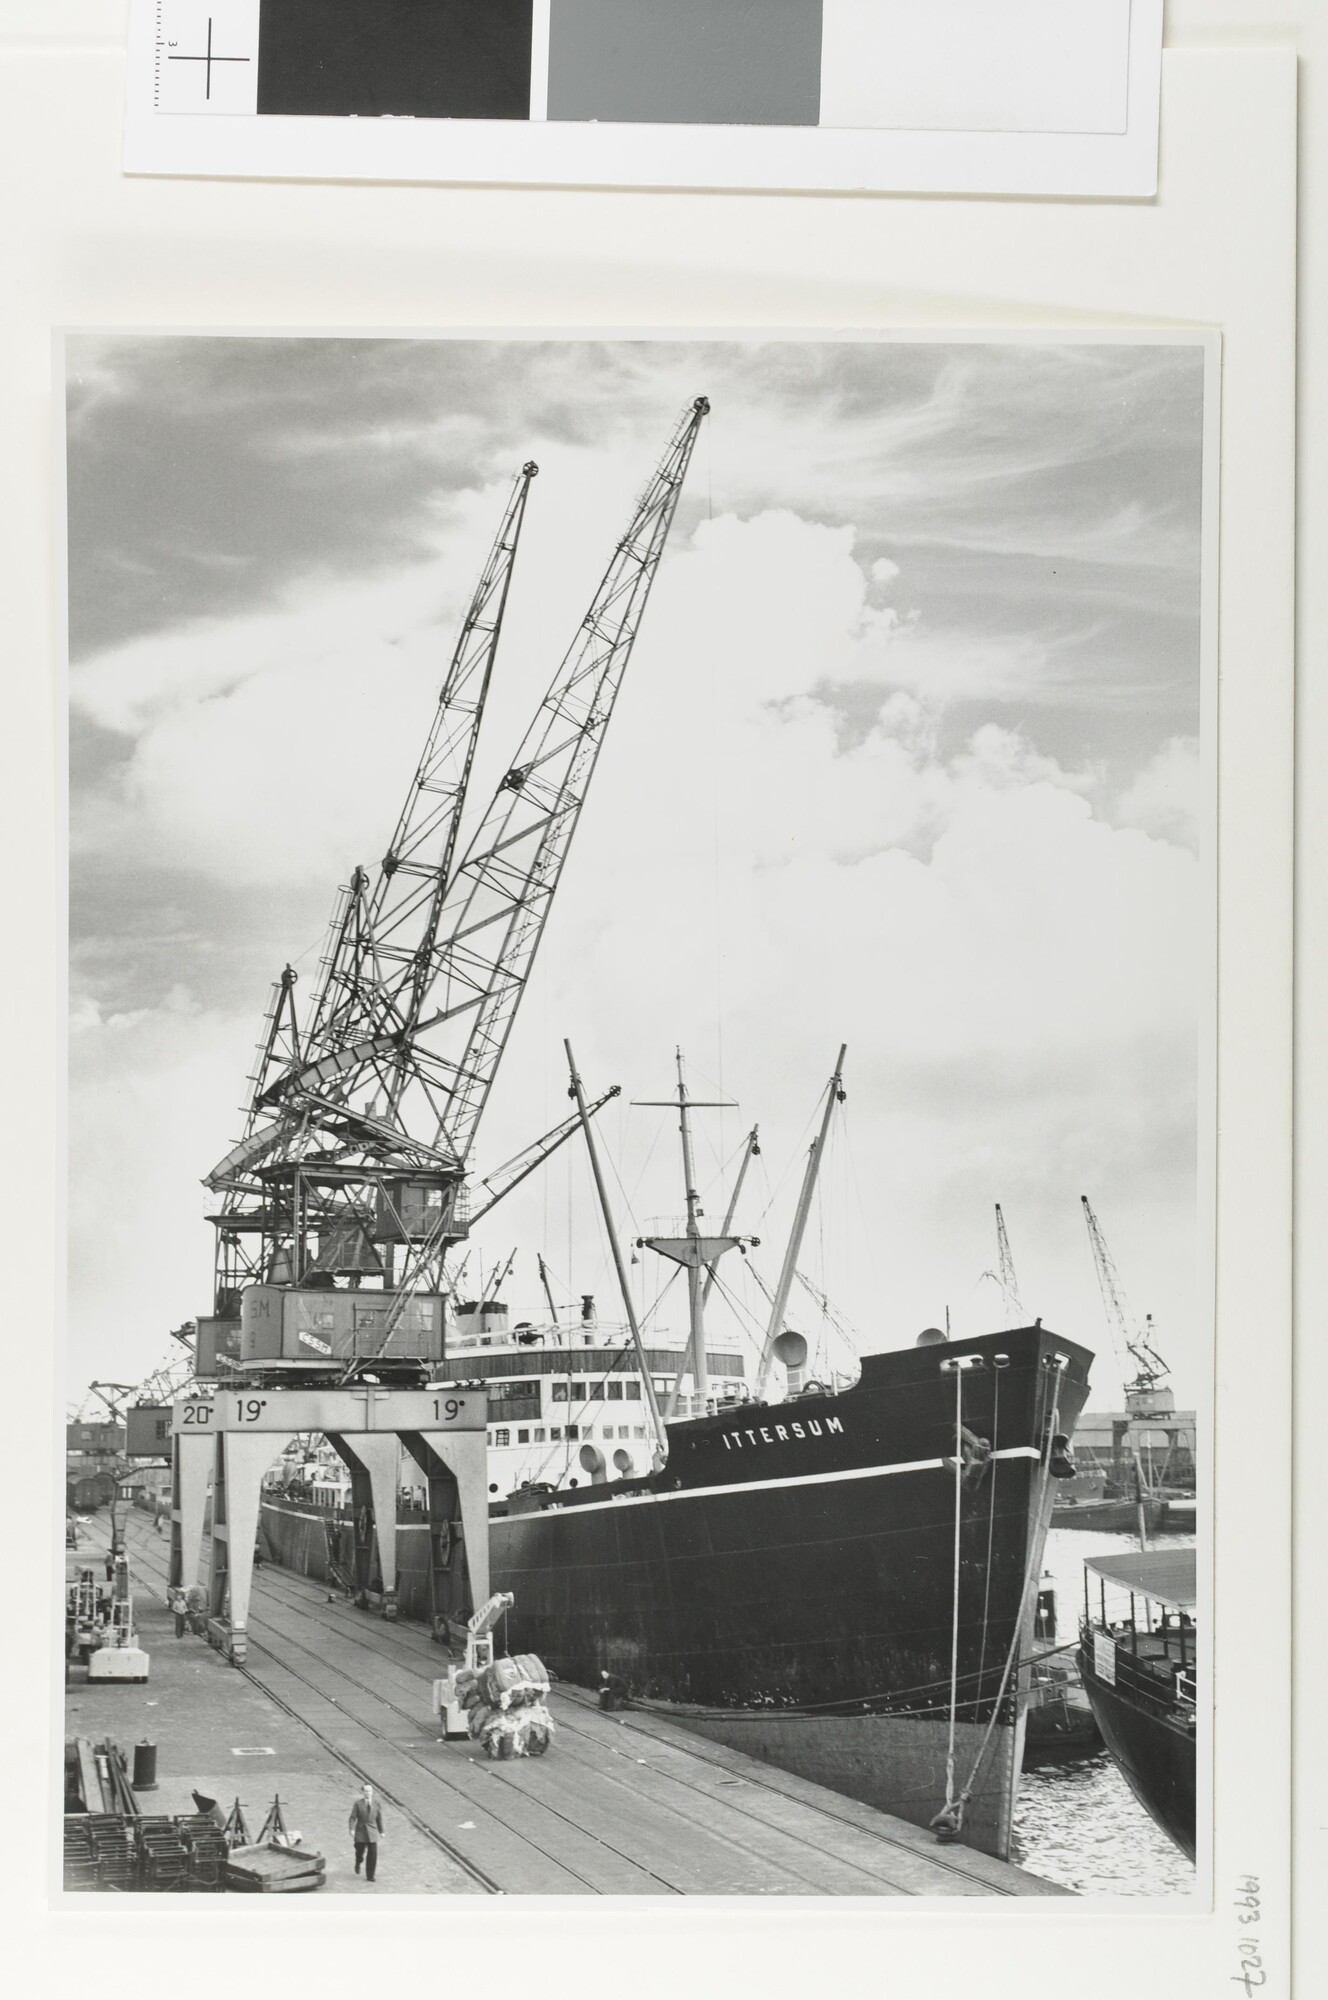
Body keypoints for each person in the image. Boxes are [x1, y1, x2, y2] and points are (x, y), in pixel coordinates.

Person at [348, 1782, 384, 1881]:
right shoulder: (358, 1804)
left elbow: (379, 1818)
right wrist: (352, 1829)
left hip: (372, 1832)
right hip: (361, 1831)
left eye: (370, 1791)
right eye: (366, 1791)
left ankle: (370, 1875)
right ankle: (358, 1860)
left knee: (373, 1854)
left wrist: (381, 1831)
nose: (368, 1793)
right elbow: (352, 1818)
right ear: (363, 1792)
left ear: (372, 1792)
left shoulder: (376, 1804)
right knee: (359, 1851)